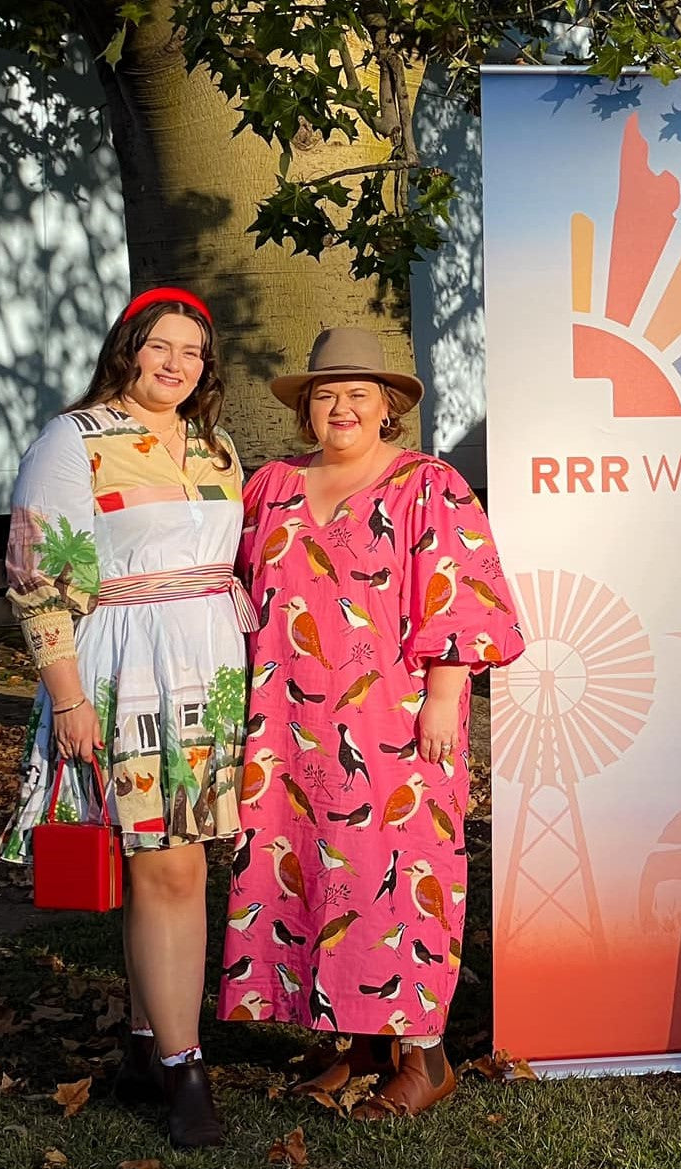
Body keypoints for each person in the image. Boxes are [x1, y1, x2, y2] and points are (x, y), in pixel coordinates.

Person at [217, 327, 523, 1118]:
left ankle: (425, 1055)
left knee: (397, 873)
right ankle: (349, 1037)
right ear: (306, 409)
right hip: (284, 722)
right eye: (326, 394)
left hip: (394, 719)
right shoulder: (272, 485)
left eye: (359, 394)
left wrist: (448, 697)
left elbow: (460, 593)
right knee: (310, 873)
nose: (342, 407)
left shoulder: (429, 484)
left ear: (387, 408)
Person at [0, 287, 250, 1147]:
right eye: (160, 347)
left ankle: (146, 1047)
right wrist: (66, 694)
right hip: (125, 675)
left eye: (193, 352)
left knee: (178, 868)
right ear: (128, 348)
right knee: (165, 870)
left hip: (209, 676)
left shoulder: (217, 446)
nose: (176, 365)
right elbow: (39, 570)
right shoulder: (75, 439)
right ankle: (185, 1068)